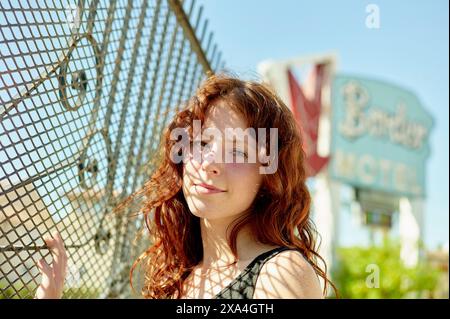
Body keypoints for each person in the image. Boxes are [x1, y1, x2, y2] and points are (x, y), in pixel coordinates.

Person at [35, 74, 337, 299]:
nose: (209, 162)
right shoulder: (180, 277)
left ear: (269, 179)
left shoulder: (280, 272)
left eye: (238, 151)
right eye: (202, 142)